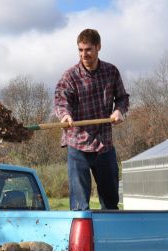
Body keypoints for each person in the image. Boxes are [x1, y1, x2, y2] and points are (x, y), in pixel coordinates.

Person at [54, 29, 129, 210]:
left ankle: (111, 233)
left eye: (88, 49)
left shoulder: (111, 72)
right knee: (79, 204)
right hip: (77, 143)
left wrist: (119, 111)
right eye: (80, 50)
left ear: (98, 47)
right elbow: (61, 100)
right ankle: (82, 236)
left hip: (104, 144)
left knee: (110, 201)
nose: (84, 54)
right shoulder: (70, 76)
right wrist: (65, 115)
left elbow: (122, 98)